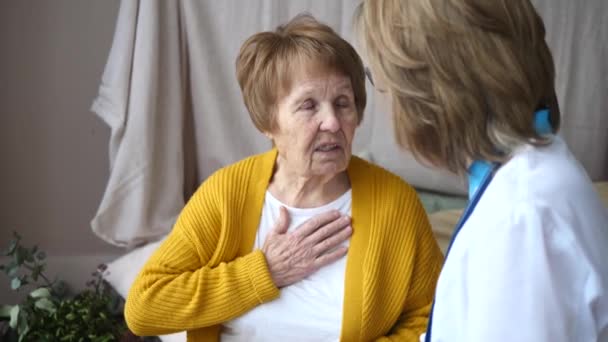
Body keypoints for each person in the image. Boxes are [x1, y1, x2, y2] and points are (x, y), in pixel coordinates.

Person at [125, 14, 443, 341]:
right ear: (268, 122)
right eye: (309, 106)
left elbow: (434, 316)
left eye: (343, 103)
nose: (332, 122)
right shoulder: (226, 194)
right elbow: (144, 306)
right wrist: (265, 272)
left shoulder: (395, 202)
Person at [355, 1, 608, 341]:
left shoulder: (520, 219)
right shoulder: (535, 172)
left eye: (382, 81)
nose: (387, 102)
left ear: (433, 91)